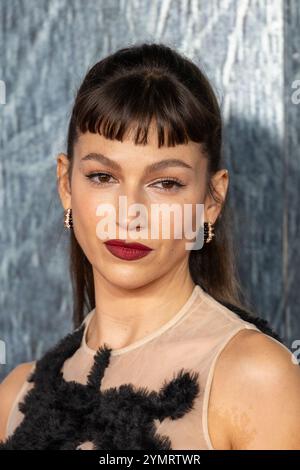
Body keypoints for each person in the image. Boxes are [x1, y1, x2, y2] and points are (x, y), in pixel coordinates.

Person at [1, 42, 300, 450]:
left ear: (211, 200)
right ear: (65, 185)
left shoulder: (257, 378)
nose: (130, 213)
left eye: (166, 183)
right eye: (103, 177)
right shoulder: (14, 396)